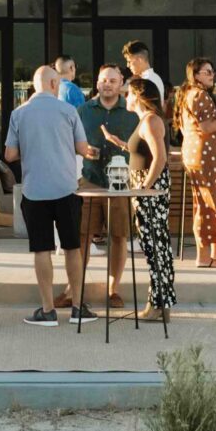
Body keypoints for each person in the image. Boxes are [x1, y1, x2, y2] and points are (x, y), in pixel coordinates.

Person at [4, 65, 95, 326]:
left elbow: (9, 155)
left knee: (41, 249)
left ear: (35, 85)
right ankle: (78, 308)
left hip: (35, 190)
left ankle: (48, 310)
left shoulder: (19, 113)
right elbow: (81, 148)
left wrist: (31, 148)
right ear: (55, 84)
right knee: (72, 247)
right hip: (66, 188)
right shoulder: (68, 111)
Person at [76, 65, 137, 308]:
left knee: (119, 236)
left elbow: (144, 147)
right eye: (103, 80)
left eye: (113, 80)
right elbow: (71, 140)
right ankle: (75, 288)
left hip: (121, 183)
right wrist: (82, 149)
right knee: (82, 236)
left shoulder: (132, 111)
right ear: (97, 83)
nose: (108, 84)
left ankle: (114, 290)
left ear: (121, 82)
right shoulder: (83, 110)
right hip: (90, 180)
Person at [176, 57, 216, 268]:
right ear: (195, 75)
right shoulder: (199, 95)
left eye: (212, 71)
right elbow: (206, 127)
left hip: (202, 155)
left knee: (211, 203)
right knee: (208, 205)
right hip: (205, 156)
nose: (212, 75)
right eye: (207, 72)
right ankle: (203, 256)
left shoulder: (189, 94)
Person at [124, 75, 176, 319]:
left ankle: (157, 305)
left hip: (150, 189)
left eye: (128, 93)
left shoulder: (150, 120)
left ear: (138, 95)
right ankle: (160, 304)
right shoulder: (147, 120)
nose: (126, 97)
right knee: (154, 245)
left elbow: (161, 158)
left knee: (155, 246)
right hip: (146, 186)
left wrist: (144, 187)